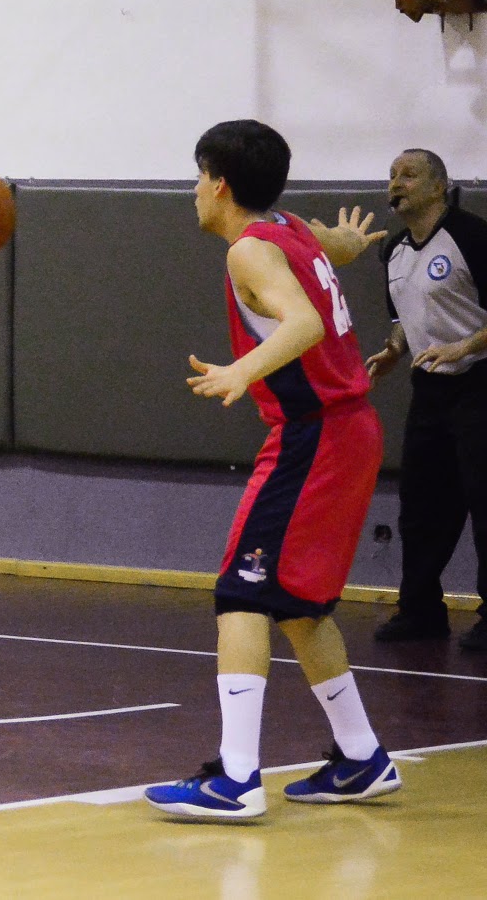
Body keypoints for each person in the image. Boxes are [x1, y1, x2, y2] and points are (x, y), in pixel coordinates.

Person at [145, 119, 400, 820]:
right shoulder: (285, 228)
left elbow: (303, 324)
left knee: (242, 594)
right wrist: (343, 246)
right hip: (350, 433)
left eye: (200, 176)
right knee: (297, 604)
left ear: (220, 183)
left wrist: (241, 371)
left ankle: (235, 780)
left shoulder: (250, 253)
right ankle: (361, 757)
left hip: (312, 436)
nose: (195, 190)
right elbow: (322, 253)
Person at [365, 149, 487, 651]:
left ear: (439, 186)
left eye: (409, 175)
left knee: (484, 501)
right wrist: (395, 350)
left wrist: (466, 344)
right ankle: (420, 610)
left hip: (479, 383)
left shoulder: (472, 237)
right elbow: (402, 316)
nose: (397, 183)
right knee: (419, 504)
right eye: (392, 175)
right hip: (430, 389)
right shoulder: (393, 250)